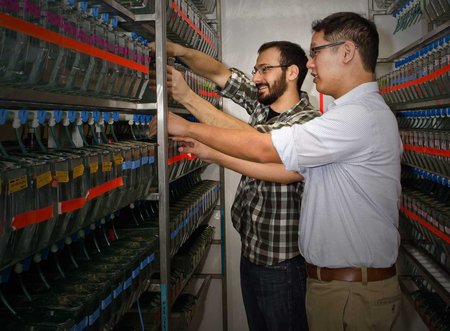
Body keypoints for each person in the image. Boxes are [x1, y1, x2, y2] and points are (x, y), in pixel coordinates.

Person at [168, 12, 403, 331]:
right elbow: (286, 171)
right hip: (328, 283)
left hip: (345, 290)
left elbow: (263, 148)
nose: (311, 63)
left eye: (316, 51)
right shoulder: (342, 116)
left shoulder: (354, 119)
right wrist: (212, 152)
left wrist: (188, 123)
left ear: (346, 52)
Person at [152, 40, 320, 331]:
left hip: (283, 264)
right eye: (256, 70)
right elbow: (219, 73)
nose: (255, 77)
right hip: (251, 253)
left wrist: (187, 98)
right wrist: (177, 50)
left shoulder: (307, 124)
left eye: (265, 69)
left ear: (292, 72)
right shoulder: (262, 103)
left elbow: (255, 143)